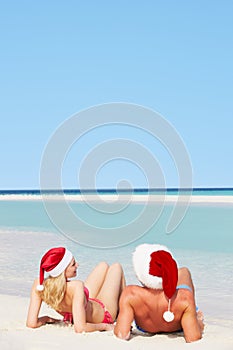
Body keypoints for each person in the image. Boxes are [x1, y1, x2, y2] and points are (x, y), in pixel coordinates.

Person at [114, 244, 204, 343]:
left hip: (146, 328)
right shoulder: (185, 297)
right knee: (184, 271)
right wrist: (198, 323)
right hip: (177, 326)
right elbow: (193, 338)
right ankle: (192, 315)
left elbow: (121, 334)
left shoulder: (131, 294)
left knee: (182, 272)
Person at [26, 247, 125, 333]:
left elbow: (31, 323)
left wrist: (46, 318)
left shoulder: (40, 284)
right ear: (62, 270)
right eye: (73, 264)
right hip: (104, 313)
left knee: (103, 265)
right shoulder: (76, 286)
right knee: (116, 267)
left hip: (78, 312)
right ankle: (125, 315)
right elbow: (80, 328)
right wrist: (105, 326)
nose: (77, 265)